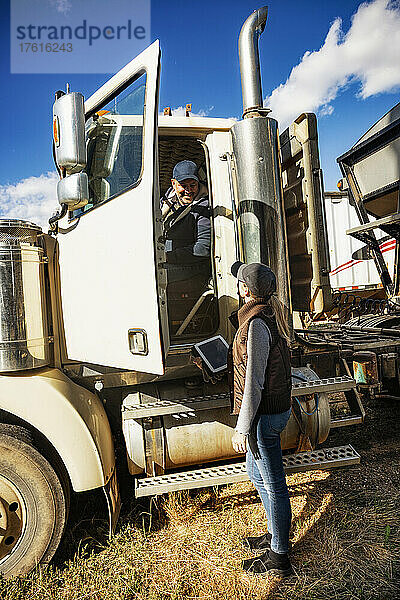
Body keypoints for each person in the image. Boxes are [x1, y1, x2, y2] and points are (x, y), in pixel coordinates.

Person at [229, 261, 293, 577]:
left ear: (246, 290)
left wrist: (242, 428)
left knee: (274, 485)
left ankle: (279, 556)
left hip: (263, 416)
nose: (238, 286)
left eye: (240, 282)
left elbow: (253, 380)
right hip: (270, 412)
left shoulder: (256, 324)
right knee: (258, 477)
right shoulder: (269, 314)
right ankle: (274, 535)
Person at [161, 160, 211, 332]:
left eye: (193, 185)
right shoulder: (167, 202)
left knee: (152, 277)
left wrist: (167, 256)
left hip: (193, 267)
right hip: (171, 260)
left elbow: (203, 248)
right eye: (184, 185)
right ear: (174, 184)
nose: (189, 190)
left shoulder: (203, 208)